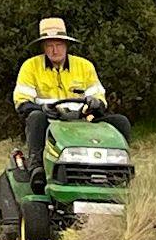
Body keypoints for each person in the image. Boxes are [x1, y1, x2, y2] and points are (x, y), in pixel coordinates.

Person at [9, 16, 109, 167]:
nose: (55, 50)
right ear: (43, 47)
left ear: (67, 45)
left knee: (120, 122)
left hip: (83, 121)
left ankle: (118, 169)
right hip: (48, 123)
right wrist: (43, 109)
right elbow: (22, 104)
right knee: (36, 117)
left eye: (59, 44)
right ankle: (36, 167)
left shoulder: (85, 66)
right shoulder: (30, 67)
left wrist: (95, 103)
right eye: (50, 45)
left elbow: (99, 98)